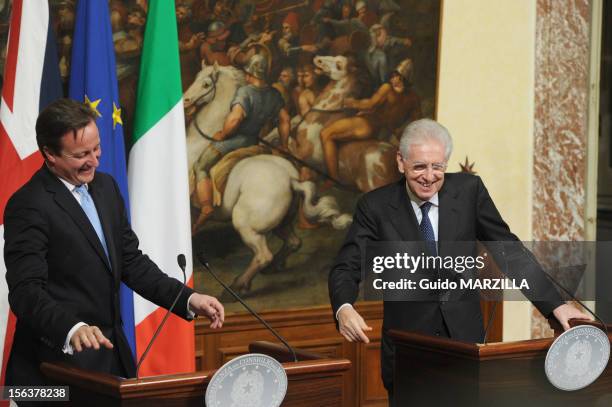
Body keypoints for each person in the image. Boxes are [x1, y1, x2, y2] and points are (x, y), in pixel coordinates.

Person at [327, 119, 591, 406]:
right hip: (410, 355)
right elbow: (347, 266)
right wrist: (344, 307)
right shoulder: (375, 206)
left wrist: (554, 304)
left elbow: (509, 251)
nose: (429, 176)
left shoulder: (469, 192)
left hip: (466, 346)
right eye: (419, 167)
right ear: (401, 162)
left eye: (437, 167)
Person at [3, 99, 225, 387]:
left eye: (96, 149)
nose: (95, 161)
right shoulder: (29, 204)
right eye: (82, 154)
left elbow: (131, 262)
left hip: (111, 360)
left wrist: (187, 298)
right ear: (50, 154)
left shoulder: (105, 187)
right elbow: (25, 291)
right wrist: (71, 328)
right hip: (50, 372)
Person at [192, 54, 291, 231]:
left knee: (200, 166)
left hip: (235, 141)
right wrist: (284, 144)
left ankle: (206, 207)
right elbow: (285, 119)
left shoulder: (245, 92)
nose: (246, 76)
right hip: (254, 142)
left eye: (247, 73)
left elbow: (235, 119)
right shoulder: (274, 94)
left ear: (251, 73)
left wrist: (222, 134)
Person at [319, 59, 422, 188]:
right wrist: (399, 131)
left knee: (326, 133)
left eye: (397, 76)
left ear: (403, 78)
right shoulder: (414, 98)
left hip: (369, 124)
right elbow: (417, 122)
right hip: (385, 133)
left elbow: (370, 104)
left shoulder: (387, 89)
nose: (393, 79)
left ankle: (333, 179)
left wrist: (351, 102)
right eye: (394, 75)